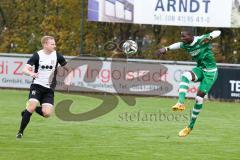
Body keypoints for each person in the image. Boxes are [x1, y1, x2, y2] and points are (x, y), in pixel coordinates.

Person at [156, 28, 221, 137]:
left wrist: (209, 37)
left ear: (191, 36)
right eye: (181, 36)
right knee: (185, 75)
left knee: (199, 98)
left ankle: (190, 127)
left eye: (184, 36)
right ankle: (180, 103)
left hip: (210, 73)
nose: (182, 39)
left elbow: (218, 32)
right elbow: (178, 45)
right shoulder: (185, 44)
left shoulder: (201, 39)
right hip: (200, 69)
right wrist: (166, 49)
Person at [16, 36, 72, 139]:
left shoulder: (57, 56)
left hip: (49, 89)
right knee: (32, 107)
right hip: (37, 86)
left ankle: (27, 111)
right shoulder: (37, 55)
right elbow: (24, 69)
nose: (54, 46)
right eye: (52, 44)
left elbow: (70, 70)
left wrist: (68, 80)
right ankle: (20, 132)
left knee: (47, 114)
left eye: (54, 44)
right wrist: (31, 73)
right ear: (45, 44)